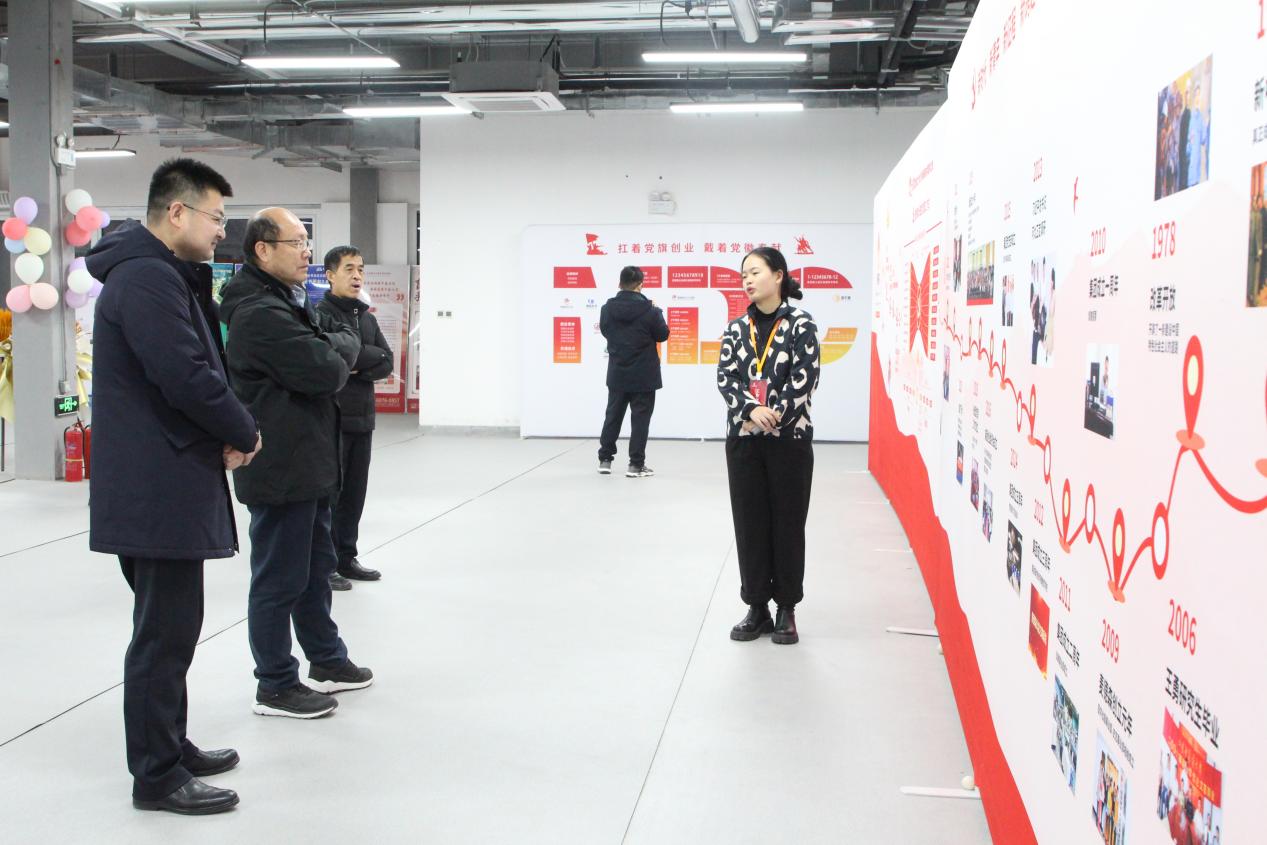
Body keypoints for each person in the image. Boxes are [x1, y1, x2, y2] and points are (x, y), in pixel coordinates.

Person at [86, 158, 261, 815]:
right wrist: (243, 429)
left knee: (175, 627)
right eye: (216, 217)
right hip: (155, 486)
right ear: (178, 211)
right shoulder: (146, 278)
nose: (222, 230)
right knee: (162, 633)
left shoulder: (160, 274)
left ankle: (170, 743)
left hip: (165, 477)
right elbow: (184, 373)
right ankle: (156, 774)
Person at [220, 208, 374, 719]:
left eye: (307, 241)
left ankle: (326, 660)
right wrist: (343, 345)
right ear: (262, 250)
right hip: (280, 465)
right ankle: (275, 683)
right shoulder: (259, 312)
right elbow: (327, 369)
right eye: (297, 242)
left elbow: (335, 351)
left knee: (314, 570)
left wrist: (337, 346)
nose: (307, 251)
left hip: (308, 461)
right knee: (278, 578)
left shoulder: (287, 300)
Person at [717, 247, 820, 645]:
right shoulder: (735, 329)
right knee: (749, 524)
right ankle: (756, 606)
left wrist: (772, 415)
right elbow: (726, 378)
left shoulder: (801, 324)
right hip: (743, 440)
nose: (747, 280)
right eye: (743, 274)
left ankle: (786, 608)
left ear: (778, 276)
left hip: (788, 440)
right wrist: (750, 409)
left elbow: (805, 378)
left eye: (755, 272)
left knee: (788, 524)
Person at [316, 245, 394, 589]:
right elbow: (331, 358)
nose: (357, 275)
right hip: (333, 418)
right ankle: (326, 564)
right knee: (331, 495)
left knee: (354, 494)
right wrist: (361, 359)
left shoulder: (367, 318)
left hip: (363, 417)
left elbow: (386, 360)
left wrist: (357, 364)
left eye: (360, 269)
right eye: (349, 269)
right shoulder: (320, 315)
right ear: (330, 275)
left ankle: (347, 557)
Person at [597, 265, 670, 477]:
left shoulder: (607, 309)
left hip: (618, 372)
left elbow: (606, 331)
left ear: (620, 284)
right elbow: (663, 334)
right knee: (640, 420)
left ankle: (605, 460)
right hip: (644, 375)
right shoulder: (651, 310)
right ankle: (635, 465)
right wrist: (656, 312)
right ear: (640, 285)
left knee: (612, 416)